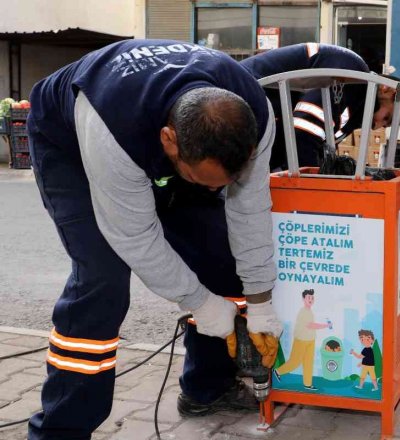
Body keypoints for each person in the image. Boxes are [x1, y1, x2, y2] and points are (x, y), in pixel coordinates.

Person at [26, 39, 283, 439]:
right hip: (72, 143)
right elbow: (135, 236)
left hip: (163, 141)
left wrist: (261, 300)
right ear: (169, 141)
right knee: (103, 279)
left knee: (222, 256)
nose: (214, 190)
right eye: (203, 180)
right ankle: (61, 429)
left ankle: (206, 389)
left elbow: (249, 211)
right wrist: (199, 302)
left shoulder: (256, 114)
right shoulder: (111, 125)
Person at [240, 43, 400, 170]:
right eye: (386, 118)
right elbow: (303, 133)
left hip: (256, 118)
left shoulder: (355, 104)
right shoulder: (352, 76)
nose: (377, 126)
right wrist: (316, 184)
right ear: (387, 89)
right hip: (241, 96)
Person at [274, 289, 330, 391]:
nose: (311, 299)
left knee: (308, 363)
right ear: (304, 299)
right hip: (301, 340)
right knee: (295, 362)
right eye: (309, 297)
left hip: (310, 340)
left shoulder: (309, 311)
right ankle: (278, 371)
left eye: (312, 298)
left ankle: (308, 384)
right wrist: (325, 325)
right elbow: (310, 325)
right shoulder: (303, 312)